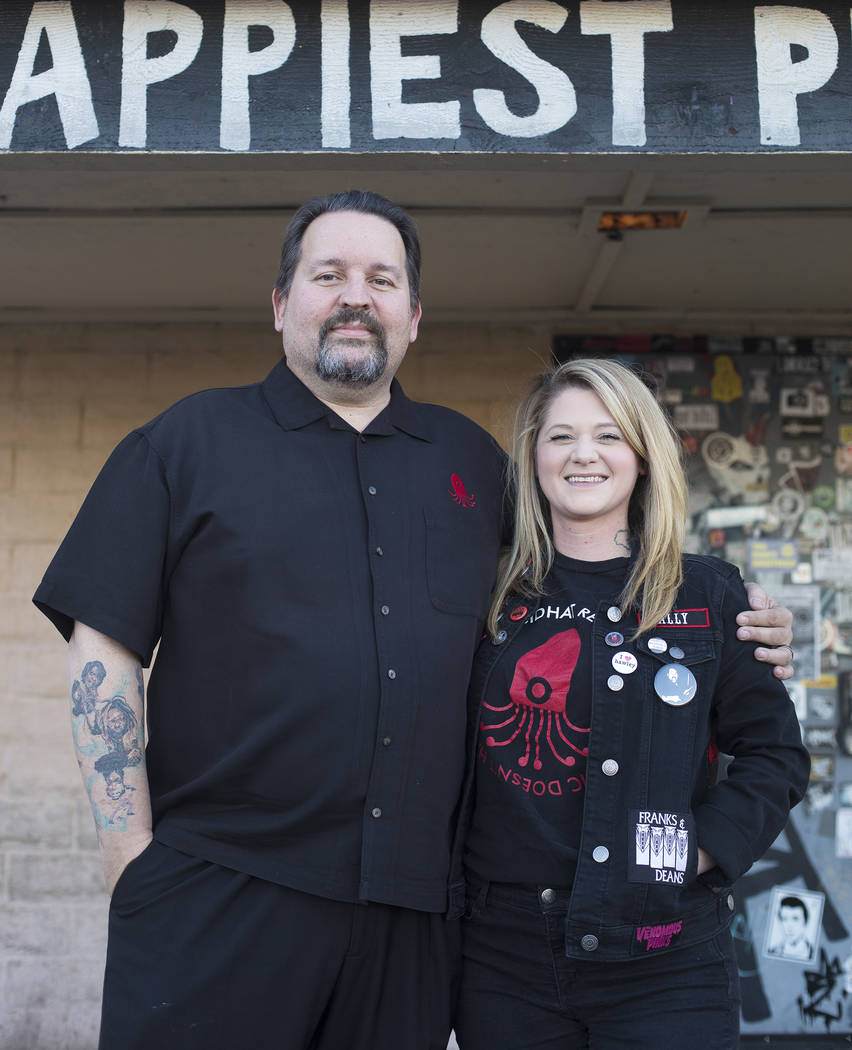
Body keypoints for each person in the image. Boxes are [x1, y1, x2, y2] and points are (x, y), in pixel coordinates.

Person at [33, 192, 795, 1050]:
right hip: (221, 892)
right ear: (282, 304)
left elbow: (591, 568)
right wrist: (127, 854)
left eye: (381, 279)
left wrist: (741, 623)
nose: (356, 296)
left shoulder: (471, 464)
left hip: (409, 918)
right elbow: (103, 639)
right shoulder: (185, 443)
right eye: (329, 275)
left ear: (414, 316)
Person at [450, 358, 810, 1050]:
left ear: (642, 457)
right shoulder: (483, 593)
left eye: (609, 435)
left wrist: (696, 851)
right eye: (560, 437)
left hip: (664, 953)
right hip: (502, 957)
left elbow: (776, 756)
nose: (584, 454)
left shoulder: (707, 595)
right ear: (533, 457)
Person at [767, 895, 814, 961]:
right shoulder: (772, 952)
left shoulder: (815, 953)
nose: (789, 926)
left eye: (795, 919)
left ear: (805, 922)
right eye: (784, 919)